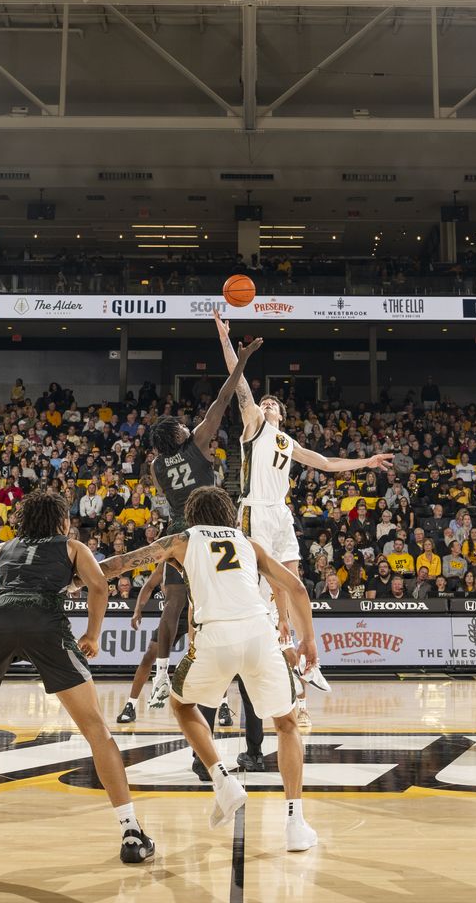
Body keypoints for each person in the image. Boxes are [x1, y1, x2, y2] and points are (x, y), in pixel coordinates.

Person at [0, 489, 155, 867]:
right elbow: (99, 585)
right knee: (97, 730)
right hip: (44, 621)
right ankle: (131, 832)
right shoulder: (72, 547)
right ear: (62, 522)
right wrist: (92, 634)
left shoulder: (4, 548)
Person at [98, 486, 319, 853]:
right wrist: (307, 639)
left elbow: (120, 564)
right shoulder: (249, 544)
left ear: (192, 516)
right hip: (259, 634)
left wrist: (71, 575)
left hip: (214, 635)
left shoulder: (182, 539)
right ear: (230, 516)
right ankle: (295, 823)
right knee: (287, 723)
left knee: (182, 705)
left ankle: (222, 780)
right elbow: (295, 586)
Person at [217, 314, 393, 732]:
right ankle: (231, 695)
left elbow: (329, 463)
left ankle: (303, 677)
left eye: (272, 402)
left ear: (282, 413)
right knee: (257, 605)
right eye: (263, 402)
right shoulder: (254, 427)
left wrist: (365, 461)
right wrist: (225, 339)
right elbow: (238, 384)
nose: (266, 403)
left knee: (294, 592)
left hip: (280, 514)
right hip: (254, 511)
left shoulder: (287, 441)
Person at [121, 332, 261, 729]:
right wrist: (243, 360)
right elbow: (222, 400)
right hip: (211, 530)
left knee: (173, 606)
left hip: (177, 532)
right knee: (208, 613)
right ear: (180, 436)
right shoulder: (198, 442)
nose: (188, 426)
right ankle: (218, 692)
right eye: (183, 426)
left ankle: (162, 675)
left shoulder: (155, 467)